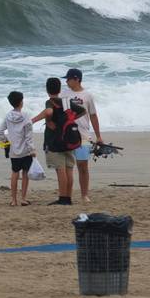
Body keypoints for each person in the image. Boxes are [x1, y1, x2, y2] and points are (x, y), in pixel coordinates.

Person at [31, 77, 86, 206]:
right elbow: (83, 111)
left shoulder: (50, 101)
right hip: (69, 139)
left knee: (60, 170)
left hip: (55, 140)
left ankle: (62, 198)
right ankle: (68, 197)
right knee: (69, 169)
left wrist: (38, 120)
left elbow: (49, 112)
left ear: (47, 89)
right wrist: (71, 119)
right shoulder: (66, 101)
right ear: (60, 89)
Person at [61, 68, 101, 203]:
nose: (66, 81)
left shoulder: (87, 95)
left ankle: (84, 195)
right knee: (68, 167)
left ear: (77, 79)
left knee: (83, 166)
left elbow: (93, 116)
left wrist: (98, 136)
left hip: (83, 135)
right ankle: (67, 195)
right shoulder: (64, 94)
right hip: (66, 135)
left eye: (68, 79)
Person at [0, 90, 36, 207]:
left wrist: (6, 142)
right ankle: (23, 199)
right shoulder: (26, 117)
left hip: (14, 151)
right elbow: (28, 136)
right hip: (25, 151)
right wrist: (32, 150)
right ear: (21, 102)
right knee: (25, 174)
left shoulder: (8, 116)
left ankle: (13, 200)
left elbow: (0, 131)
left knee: (14, 173)